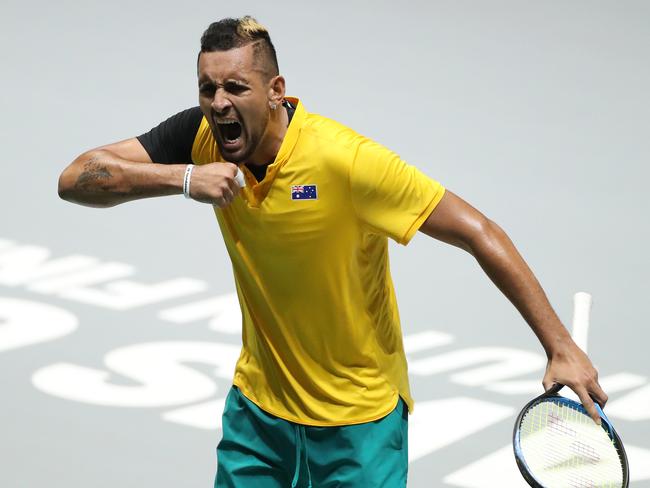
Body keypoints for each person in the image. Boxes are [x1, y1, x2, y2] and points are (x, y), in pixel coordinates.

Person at [58, 16, 608, 488]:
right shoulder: (199, 137)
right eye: (207, 88)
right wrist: (182, 178)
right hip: (258, 414)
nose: (218, 102)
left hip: (358, 422)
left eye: (235, 87)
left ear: (275, 89)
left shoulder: (347, 162)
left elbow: (479, 231)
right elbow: (76, 177)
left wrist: (559, 344)